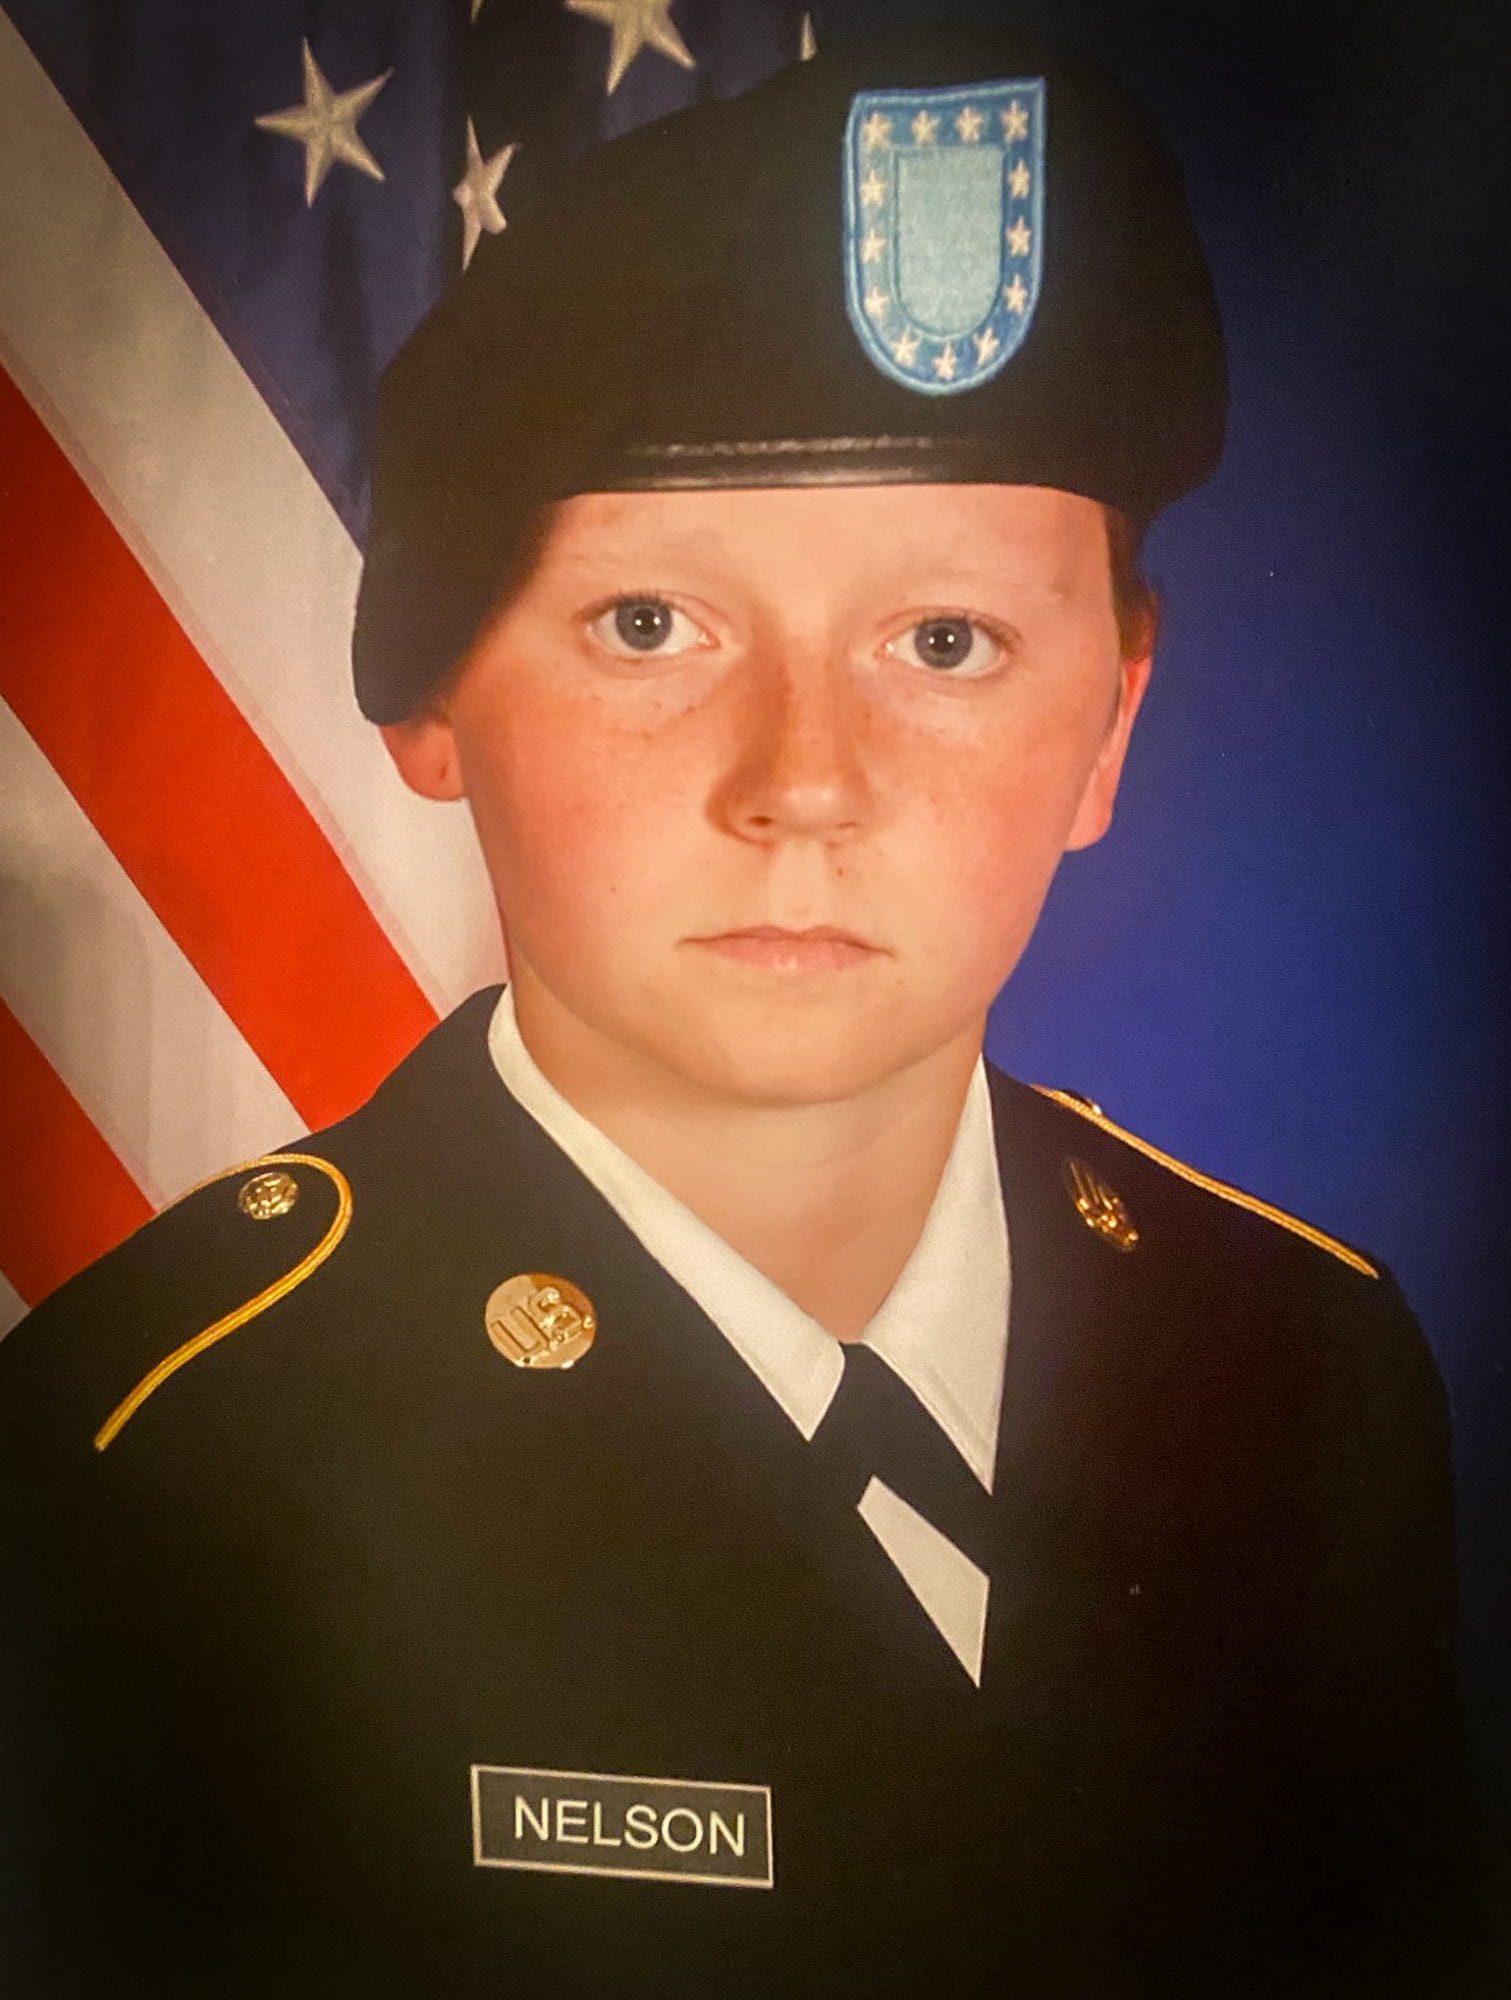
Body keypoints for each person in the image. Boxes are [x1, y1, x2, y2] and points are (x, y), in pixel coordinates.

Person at [0, 24, 1488, 1998]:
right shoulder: (155, 1462)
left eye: (945, 639)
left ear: (1110, 728)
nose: (803, 775)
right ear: (433, 704)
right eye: (652, 626)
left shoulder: (1311, 1367)